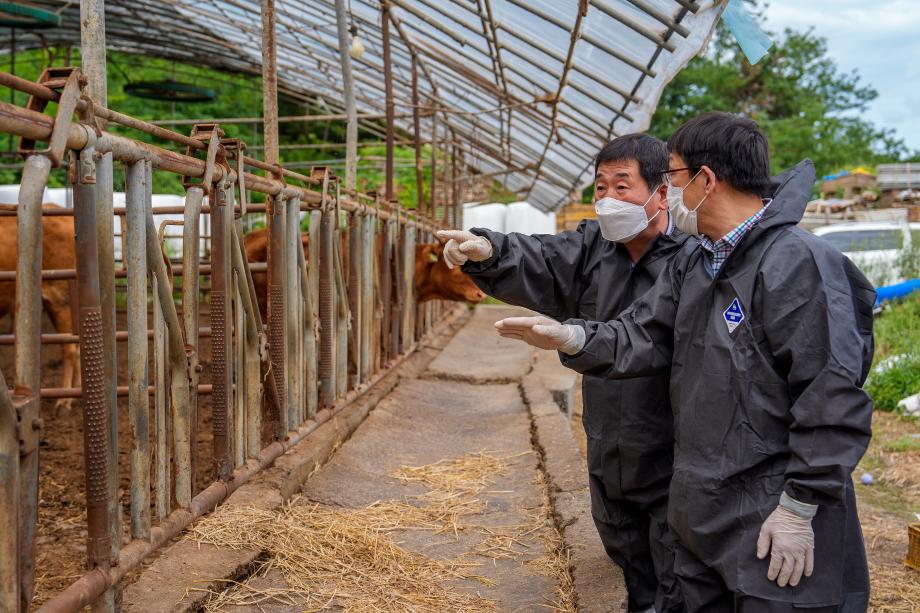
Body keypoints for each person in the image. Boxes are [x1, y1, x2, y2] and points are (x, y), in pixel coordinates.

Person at [495, 112, 874, 612]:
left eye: (671, 177)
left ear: (705, 179)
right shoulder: (697, 262)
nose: (668, 192)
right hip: (701, 503)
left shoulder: (797, 263)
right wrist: (573, 336)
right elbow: (642, 333)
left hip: (770, 508)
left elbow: (832, 392)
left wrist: (800, 506)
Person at [437, 133, 691, 613]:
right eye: (600, 187)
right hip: (608, 434)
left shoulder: (689, 259)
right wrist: (487, 250)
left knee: (677, 562)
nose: (608, 200)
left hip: (673, 440)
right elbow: (544, 257)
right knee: (625, 549)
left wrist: (573, 339)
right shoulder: (597, 247)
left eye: (623, 185)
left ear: (662, 192)